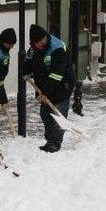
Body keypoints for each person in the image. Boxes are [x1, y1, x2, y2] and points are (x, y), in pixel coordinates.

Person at [23, 24, 74, 153]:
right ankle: (49, 140)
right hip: (45, 86)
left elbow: (57, 75)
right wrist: (25, 72)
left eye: (41, 41)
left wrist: (45, 92)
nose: (39, 45)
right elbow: (29, 63)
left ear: (46, 37)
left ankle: (55, 144)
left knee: (58, 115)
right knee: (45, 114)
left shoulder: (57, 48)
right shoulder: (33, 48)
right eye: (36, 43)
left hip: (63, 85)